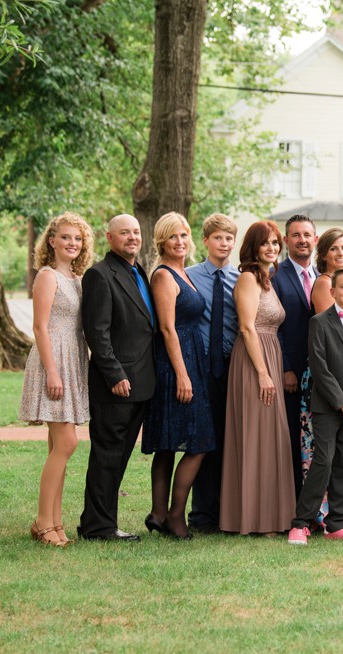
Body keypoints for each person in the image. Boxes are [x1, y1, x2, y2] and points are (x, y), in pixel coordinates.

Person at [19, 211, 94, 547]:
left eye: (77, 239)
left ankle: (54, 522)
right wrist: (52, 371)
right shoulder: (47, 276)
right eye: (65, 237)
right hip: (53, 361)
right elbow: (39, 327)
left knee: (57, 446)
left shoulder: (77, 279)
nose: (72, 243)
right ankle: (42, 521)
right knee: (67, 443)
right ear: (51, 241)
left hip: (73, 359)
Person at [288, 268, 343, 545]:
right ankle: (300, 523)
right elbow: (320, 367)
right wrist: (342, 404)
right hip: (328, 405)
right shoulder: (320, 322)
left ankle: (336, 523)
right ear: (333, 291)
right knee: (323, 461)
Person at [79, 214, 155, 542]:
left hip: (141, 382)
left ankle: (101, 522)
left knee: (118, 458)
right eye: (124, 232)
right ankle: (98, 527)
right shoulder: (99, 275)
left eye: (136, 232)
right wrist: (114, 375)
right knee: (107, 457)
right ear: (109, 238)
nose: (132, 237)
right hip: (117, 384)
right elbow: (97, 332)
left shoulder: (139, 271)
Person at [141, 212, 215, 540]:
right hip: (175, 365)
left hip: (191, 360)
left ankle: (161, 514)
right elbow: (168, 329)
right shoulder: (163, 276)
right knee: (195, 443)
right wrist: (182, 376)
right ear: (162, 241)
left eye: (184, 235)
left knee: (173, 444)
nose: (180, 242)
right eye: (173, 237)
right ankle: (172, 515)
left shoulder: (183, 272)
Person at [221, 220, 295, 534]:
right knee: (255, 436)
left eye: (276, 243)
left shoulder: (268, 279)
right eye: (265, 243)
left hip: (270, 355)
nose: (272, 248)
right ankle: (250, 518)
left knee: (270, 436)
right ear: (253, 246)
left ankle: (270, 517)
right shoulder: (249, 277)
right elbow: (247, 327)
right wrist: (264, 373)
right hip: (254, 361)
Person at [186, 213, 239, 533]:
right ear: (206, 241)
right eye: (218, 238)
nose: (224, 244)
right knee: (203, 440)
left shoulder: (242, 278)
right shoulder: (189, 276)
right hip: (201, 366)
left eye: (229, 238)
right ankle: (201, 514)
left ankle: (226, 511)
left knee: (228, 439)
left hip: (232, 367)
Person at [271, 215, 318, 499]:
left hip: (321, 374)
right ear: (286, 241)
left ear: (315, 239)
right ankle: (291, 503)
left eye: (307, 235)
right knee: (291, 439)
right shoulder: (276, 275)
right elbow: (273, 326)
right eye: (296, 235)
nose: (302, 240)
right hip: (291, 372)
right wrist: (286, 367)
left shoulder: (324, 277)